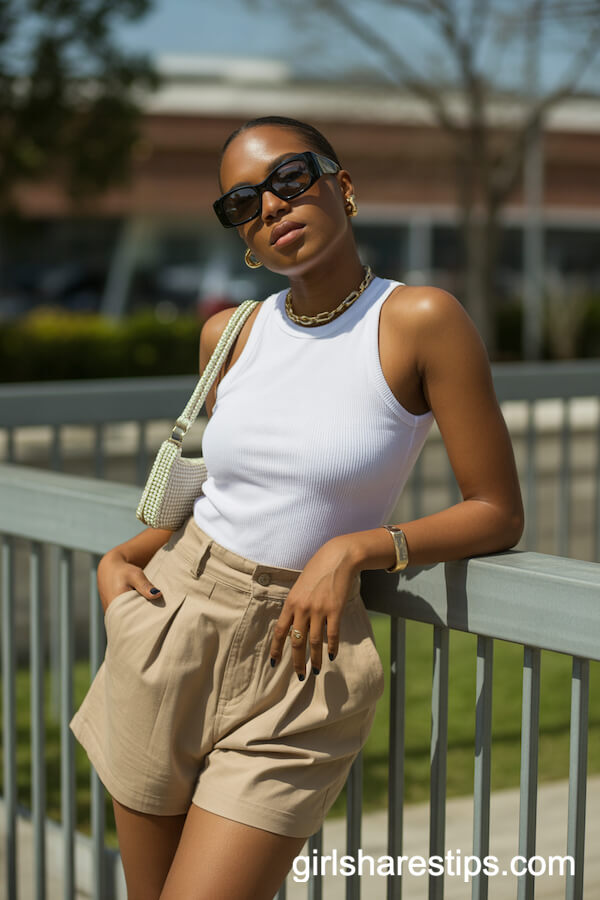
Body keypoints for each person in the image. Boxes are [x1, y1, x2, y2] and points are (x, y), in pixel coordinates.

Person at [70, 115, 524, 900]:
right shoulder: (228, 333)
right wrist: (123, 563)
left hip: (303, 659)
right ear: (241, 233)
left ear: (341, 185)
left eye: (290, 178)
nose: (271, 206)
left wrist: (352, 550)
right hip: (171, 624)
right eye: (243, 202)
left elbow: (495, 510)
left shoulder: (419, 320)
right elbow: (225, 488)